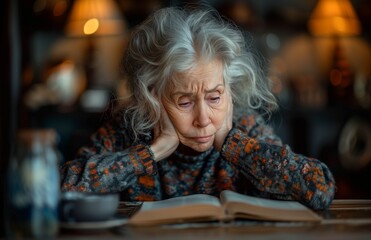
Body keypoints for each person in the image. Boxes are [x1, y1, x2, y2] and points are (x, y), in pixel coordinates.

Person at [60, 7, 335, 210]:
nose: (203, 120)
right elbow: (60, 188)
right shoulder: (127, 131)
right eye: (185, 102)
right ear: (153, 97)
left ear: (230, 90)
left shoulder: (244, 127)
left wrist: (233, 145)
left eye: (215, 98)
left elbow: (321, 188)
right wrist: (150, 152)